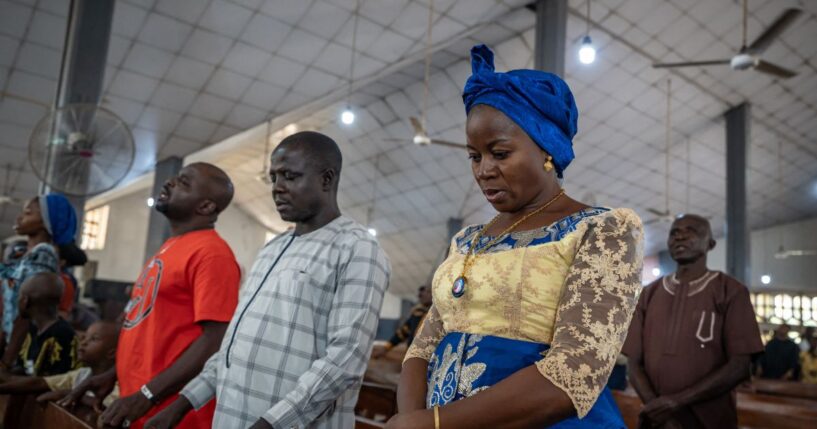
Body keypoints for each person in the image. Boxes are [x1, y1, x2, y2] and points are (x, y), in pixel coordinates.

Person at [389, 45, 644, 429]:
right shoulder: (467, 240)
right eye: (474, 156)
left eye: (500, 153)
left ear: (547, 150)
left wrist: (435, 424)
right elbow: (423, 347)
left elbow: (575, 372)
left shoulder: (602, 230)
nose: (484, 170)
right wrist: (412, 419)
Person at [146, 131, 391, 429]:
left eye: (289, 176)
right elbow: (234, 348)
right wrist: (183, 402)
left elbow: (344, 362)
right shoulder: (272, 249)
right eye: (274, 178)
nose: (277, 188)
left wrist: (271, 424)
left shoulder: (357, 249)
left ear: (326, 179)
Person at [62, 162, 241, 429]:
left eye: (183, 182)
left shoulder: (212, 254)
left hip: (172, 415)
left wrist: (147, 394)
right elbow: (150, 329)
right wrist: (114, 375)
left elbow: (214, 341)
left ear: (205, 207)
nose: (169, 182)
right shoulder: (171, 247)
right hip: (139, 404)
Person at [623, 214, 764, 429]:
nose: (680, 237)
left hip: (710, 420)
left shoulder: (730, 291)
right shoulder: (648, 294)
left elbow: (739, 367)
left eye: (691, 231)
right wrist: (658, 410)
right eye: (674, 233)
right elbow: (634, 364)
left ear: (711, 243)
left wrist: (676, 402)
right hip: (658, 421)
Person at [0, 194, 75, 367]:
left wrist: (7, 360)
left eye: (27, 213)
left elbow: (30, 310)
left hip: (21, 347)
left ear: (46, 222)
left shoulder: (43, 254)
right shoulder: (24, 254)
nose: (19, 218)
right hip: (11, 341)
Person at [0, 320, 118, 404]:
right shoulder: (82, 374)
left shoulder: (119, 387)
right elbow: (40, 383)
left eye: (94, 339)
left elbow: (107, 408)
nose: (83, 343)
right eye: (85, 337)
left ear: (112, 353)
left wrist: (66, 394)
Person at [17, 272, 78, 376]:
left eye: (19, 296)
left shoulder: (62, 334)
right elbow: (23, 368)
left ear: (25, 301)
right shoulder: (33, 329)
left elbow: (55, 380)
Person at [373, 286, 433, 359]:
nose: (422, 295)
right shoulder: (416, 313)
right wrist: (386, 348)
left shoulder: (438, 315)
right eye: (421, 293)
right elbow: (402, 333)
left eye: (427, 292)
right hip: (412, 355)